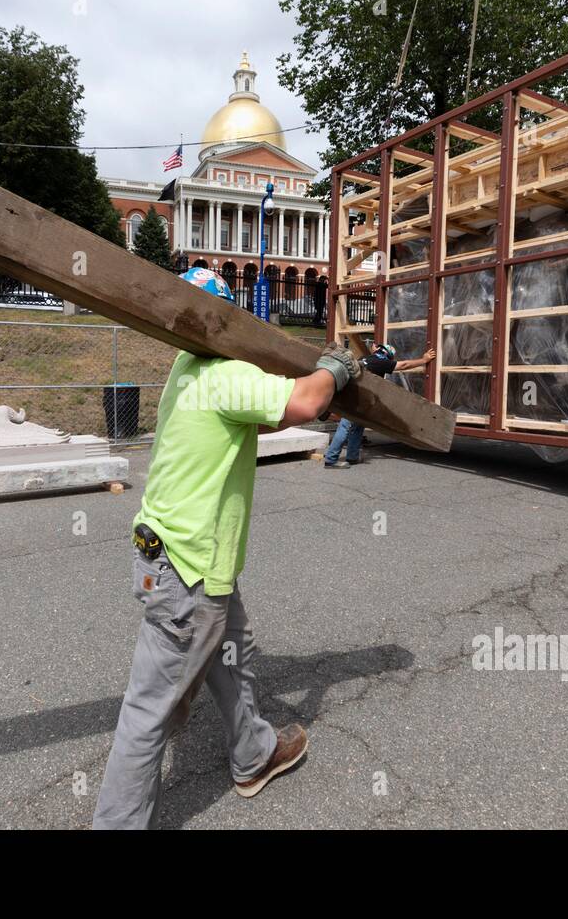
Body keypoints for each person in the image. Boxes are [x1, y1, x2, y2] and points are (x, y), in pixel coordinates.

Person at [93, 267, 361, 829]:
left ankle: (253, 752)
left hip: (169, 557)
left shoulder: (185, 369)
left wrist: (313, 394)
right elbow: (306, 404)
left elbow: (251, 421)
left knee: (233, 649)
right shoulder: (224, 370)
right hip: (188, 570)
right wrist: (337, 369)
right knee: (148, 713)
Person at [323, 342, 436, 468]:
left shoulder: (365, 358)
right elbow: (404, 365)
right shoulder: (382, 361)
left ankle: (352, 456)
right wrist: (424, 360)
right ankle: (331, 459)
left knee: (358, 426)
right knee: (346, 426)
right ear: (388, 355)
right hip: (357, 399)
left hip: (358, 397)